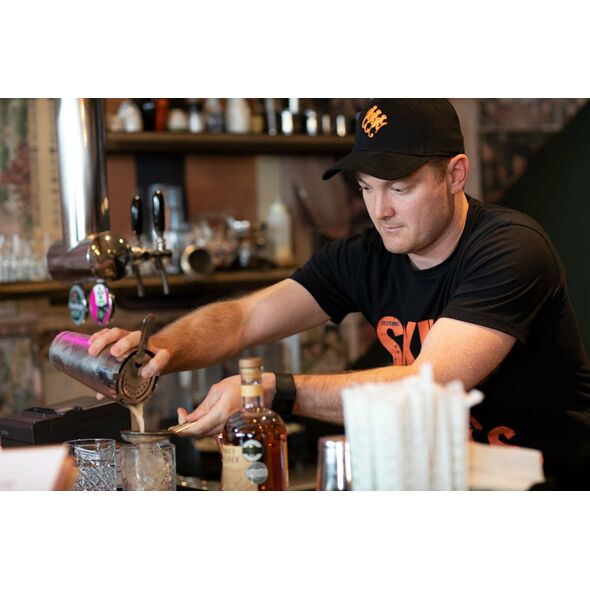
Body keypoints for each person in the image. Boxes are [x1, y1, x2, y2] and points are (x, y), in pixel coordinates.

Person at [89, 98, 590, 488]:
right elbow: (244, 318)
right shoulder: (364, 255)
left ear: (455, 174)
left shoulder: (510, 249)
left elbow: (431, 383)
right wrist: (155, 351)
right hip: (444, 483)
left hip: (548, 487)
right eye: (367, 187)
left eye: (399, 188)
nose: (380, 210)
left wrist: (274, 390)